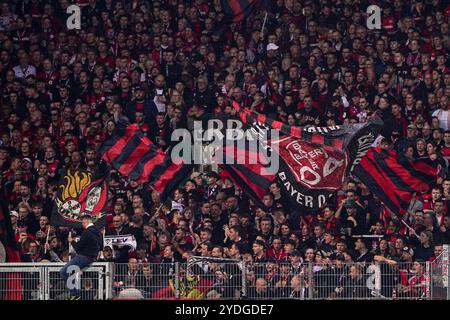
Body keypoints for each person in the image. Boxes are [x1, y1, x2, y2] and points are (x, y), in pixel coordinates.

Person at [59, 214, 103, 300]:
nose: (82, 225)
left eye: (82, 223)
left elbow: (77, 247)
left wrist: (71, 241)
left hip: (84, 258)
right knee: (70, 272)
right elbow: (101, 246)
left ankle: (74, 294)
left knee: (63, 272)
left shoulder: (87, 232)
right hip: (92, 257)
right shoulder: (98, 232)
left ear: (85, 221)